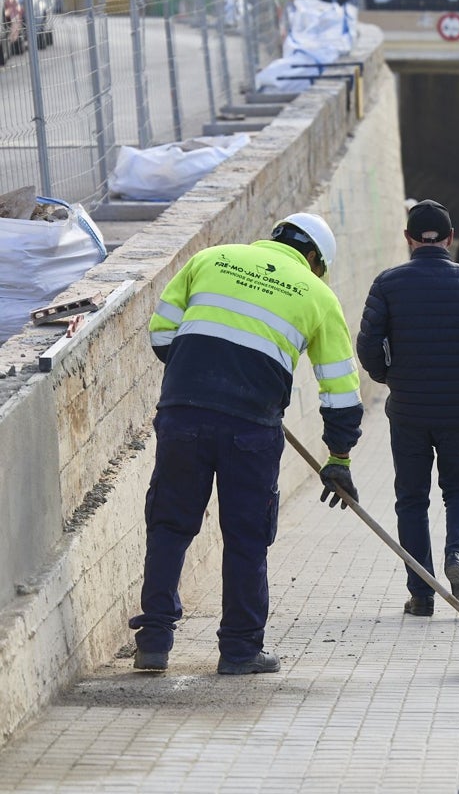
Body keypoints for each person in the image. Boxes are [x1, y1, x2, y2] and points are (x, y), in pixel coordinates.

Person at [129, 213, 364, 675]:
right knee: (247, 537)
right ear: (314, 257)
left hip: (183, 412)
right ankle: (239, 651)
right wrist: (338, 457)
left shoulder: (211, 258)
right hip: (252, 430)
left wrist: (206, 373)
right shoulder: (318, 294)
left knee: (170, 526)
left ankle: (154, 641)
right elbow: (340, 388)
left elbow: (161, 337)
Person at [356, 200, 459, 617]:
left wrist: (388, 378)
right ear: (451, 239)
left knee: (411, 498)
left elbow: (367, 344)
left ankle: (421, 593)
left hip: (408, 410)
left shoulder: (388, 284)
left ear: (408, 239)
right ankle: (457, 555)